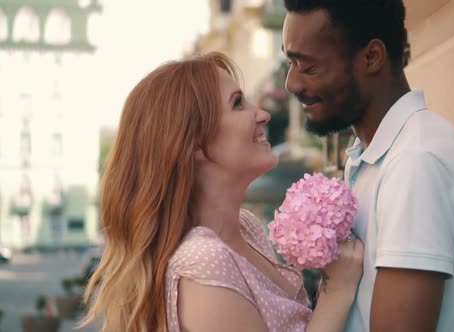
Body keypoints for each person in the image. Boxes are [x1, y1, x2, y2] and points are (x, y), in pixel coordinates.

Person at [79, 52, 364, 332]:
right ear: (194, 144)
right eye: (238, 104)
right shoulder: (203, 263)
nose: (263, 114)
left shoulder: (247, 228)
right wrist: (337, 289)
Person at [282, 1, 454, 331]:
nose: (292, 83)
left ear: (372, 57)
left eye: (308, 67)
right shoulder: (372, 155)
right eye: (291, 63)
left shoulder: (416, 163)